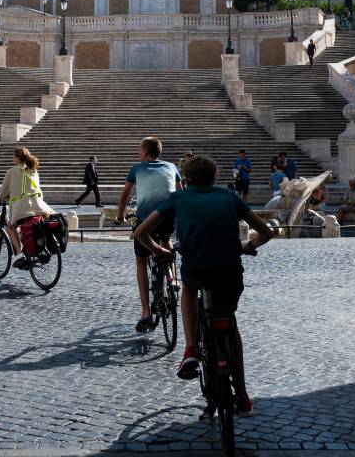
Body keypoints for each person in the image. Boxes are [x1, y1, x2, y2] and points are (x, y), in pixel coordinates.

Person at [134, 155, 275, 416]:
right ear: (214, 176)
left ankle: (190, 348)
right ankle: (243, 396)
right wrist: (247, 246)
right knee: (229, 322)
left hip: (196, 267)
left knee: (188, 288)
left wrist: (158, 251)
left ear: (185, 179)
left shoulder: (178, 198)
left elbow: (140, 232)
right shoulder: (229, 196)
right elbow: (267, 232)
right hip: (229, 268)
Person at [116, 137, 183, 334]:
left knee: (141, 261)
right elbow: (180, 192)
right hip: (168, 216)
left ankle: (146, 312)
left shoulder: (137, 168)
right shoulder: (172, 166)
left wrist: (120, 215)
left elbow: (124, 196)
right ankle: (172, 278)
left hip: (146, 219)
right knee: (166, 238)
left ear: (144, 153)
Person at [0, 147, 55, 268]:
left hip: (23, 207)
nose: (12, 159)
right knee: (37, 224)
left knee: (10, 228)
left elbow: (2, 194)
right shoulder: (34, 171)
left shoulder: (12, 171)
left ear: (18, 159)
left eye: (13, 157)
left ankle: (20, 255)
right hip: (40, 206)